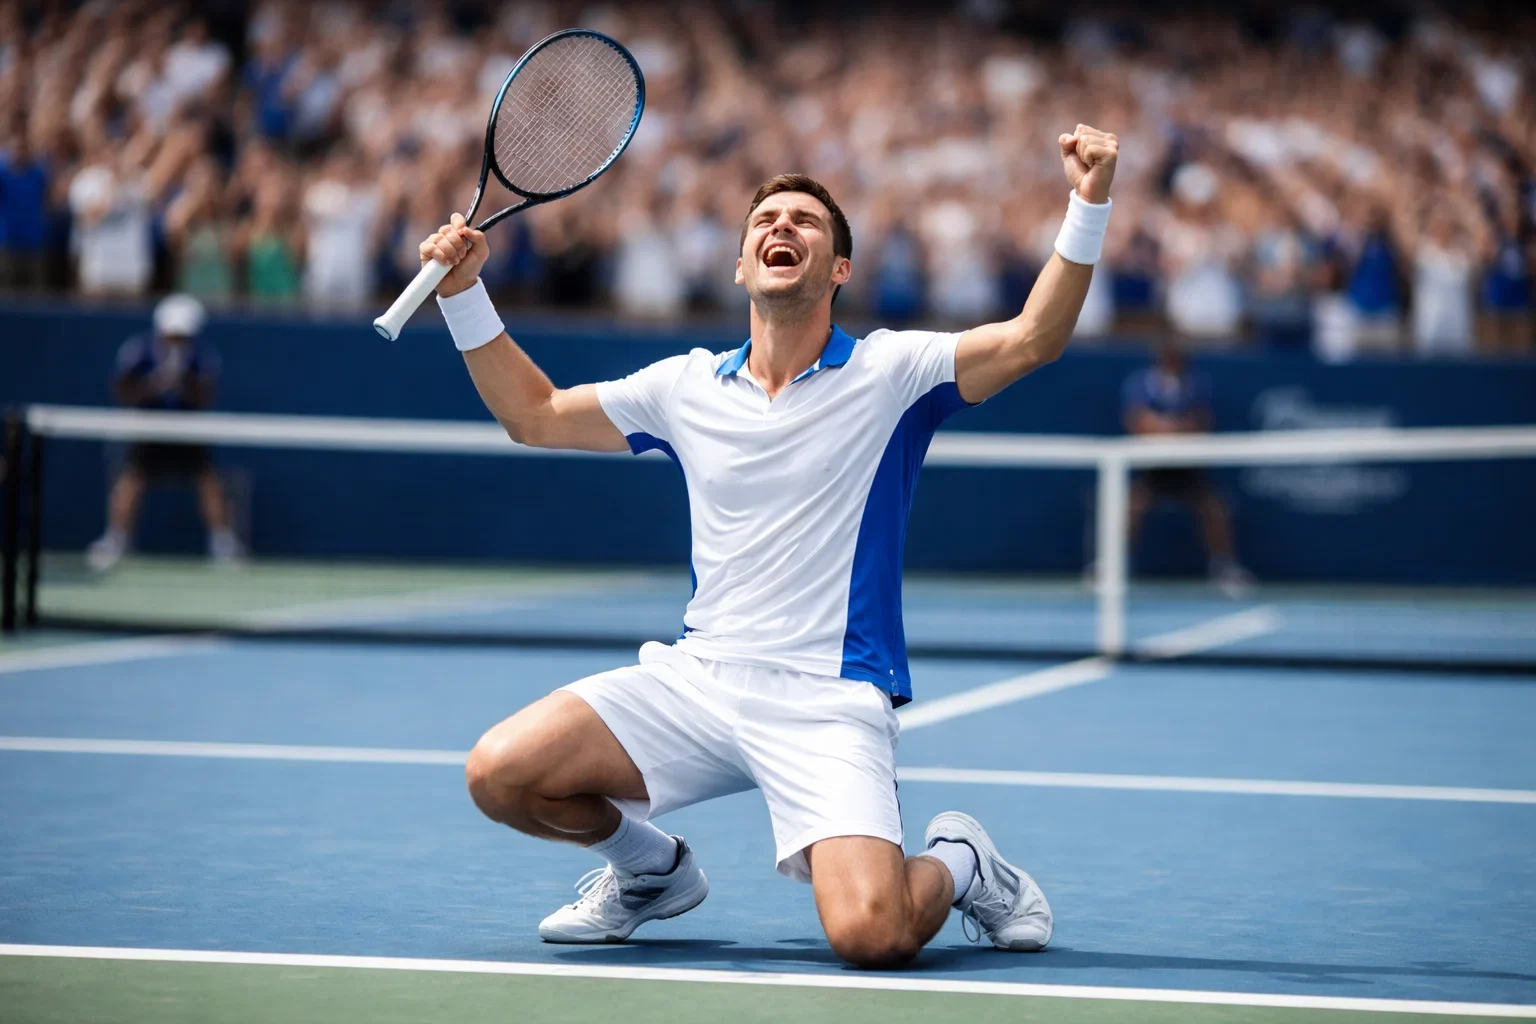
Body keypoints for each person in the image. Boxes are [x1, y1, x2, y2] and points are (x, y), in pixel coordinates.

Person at [426, 126, 1119, 968]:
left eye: (805, 221)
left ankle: (963, 861)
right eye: (765, 220)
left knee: (874, 935)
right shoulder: (680, 388)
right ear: (741, 265)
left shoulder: (893, 375)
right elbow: (532, 415)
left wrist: (1089, 200)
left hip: (828, 700)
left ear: (838, 270)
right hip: (698, 682)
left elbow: (1032, 338)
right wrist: (465, 293)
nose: (780, 227)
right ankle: (652, 872)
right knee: (499, 773)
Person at [86, 295, 245, 572]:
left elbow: (206, 396)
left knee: (208, 481)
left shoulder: (202, 357)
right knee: (132, 479)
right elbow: (123, 391)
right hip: (149, 429)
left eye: (182, 335)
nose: (176, 339)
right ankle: (116, 539)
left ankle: (222, 542)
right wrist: (154, 386)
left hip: (187, 430)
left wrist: (183, 382)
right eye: (172, 334)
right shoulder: (137, 351)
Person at [1120, 342, 1253, 596]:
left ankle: (1224, 567)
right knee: (1131, 507)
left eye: (1177, 356)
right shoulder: (1140, 384)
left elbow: (1201, 421)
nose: (1172, 360)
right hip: (1152, 468)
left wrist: (1162, 428)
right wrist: (1171, 429)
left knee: (1214, 508)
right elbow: (1137, 421)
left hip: (1188, 467)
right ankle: (1114, 564)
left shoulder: (1197, 385)